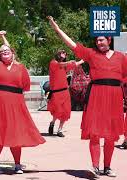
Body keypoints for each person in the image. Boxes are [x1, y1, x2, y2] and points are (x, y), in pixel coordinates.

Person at [48, 16, 127, 178]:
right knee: (95, 133)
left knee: (111, 135)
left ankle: (107, 167)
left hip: (114, 98)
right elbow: (73, 45)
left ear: (109, 39)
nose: (99, 43)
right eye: (97, 40)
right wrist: (57, 30)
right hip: (97, 96)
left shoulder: (121, 57)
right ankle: (95, 166)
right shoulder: (91, 54)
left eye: (102, 40)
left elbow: (125, 78)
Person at [0, 31, 45, 174]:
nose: (4, 52)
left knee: (16, 133)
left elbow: (25, 87)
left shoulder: (21, 67)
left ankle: (17, 164)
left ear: (12, 53)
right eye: (1, 51)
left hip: (15, 104)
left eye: (7, 50)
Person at [47, 50, 84, 137]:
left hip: (65, 92)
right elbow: (60, 64)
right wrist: (69, 62)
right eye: (62, 52)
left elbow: (74, 64)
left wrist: (83, 60)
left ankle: (60, 130)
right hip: (56, 93)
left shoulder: (65, 66)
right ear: (58, 54)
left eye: (65, 53)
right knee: (57, 111)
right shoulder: (53, 63)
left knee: (65, 112)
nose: (64, 54)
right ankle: (52, 123)